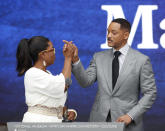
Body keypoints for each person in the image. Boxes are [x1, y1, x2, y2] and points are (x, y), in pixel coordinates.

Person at [70, 18, 157, 131]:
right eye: (108, 32)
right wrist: (76, 60)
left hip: (126, 123)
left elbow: (150, 93)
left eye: (114, 33)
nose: (109, 36)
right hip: (98, 122)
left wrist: (131, 115)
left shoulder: (142, 60)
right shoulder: (98, 57)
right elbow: (85, 82)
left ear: (126, 35)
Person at [16, 36, 77, 122]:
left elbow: (49, 103)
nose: (54, 53)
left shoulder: (47, 74)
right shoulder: (33, 73)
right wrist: (68, 58)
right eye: (52, 49)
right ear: (43, 54)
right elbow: (64, 85)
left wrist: (67, 112)